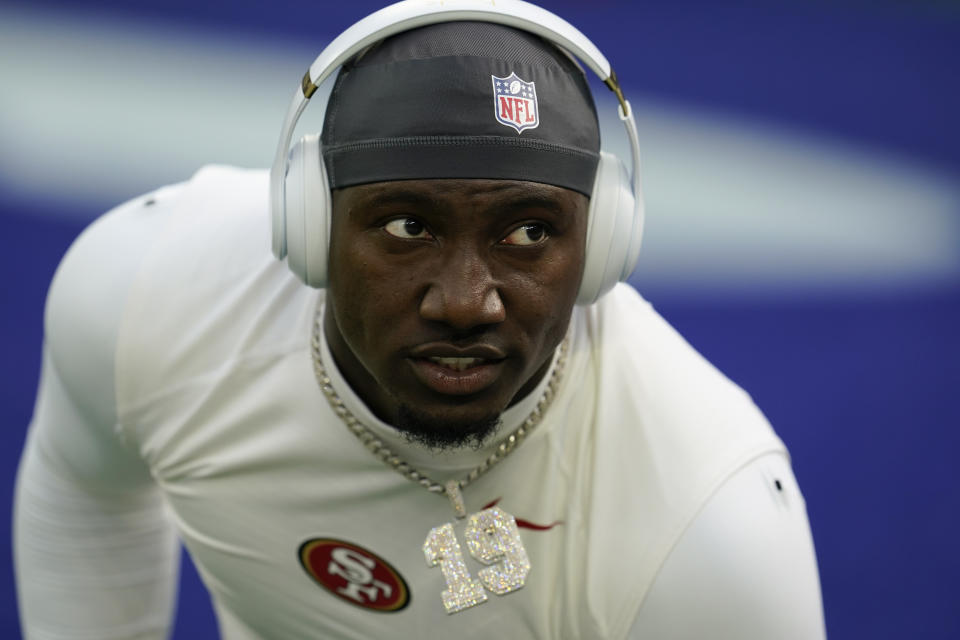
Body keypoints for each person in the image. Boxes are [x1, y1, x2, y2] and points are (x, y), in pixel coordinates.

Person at [14, 1, 826, 638]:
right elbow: (83, 501)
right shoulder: (148, 292)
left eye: (529, 232)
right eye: (407, 227)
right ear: (308, 227)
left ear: (605, 245)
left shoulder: (710, 522)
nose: (467, 302)